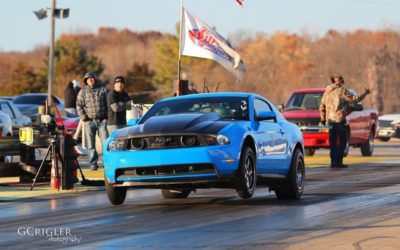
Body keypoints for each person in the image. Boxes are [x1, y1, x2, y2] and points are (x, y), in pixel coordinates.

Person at [319, 73, 370, 168]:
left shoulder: (327, 91)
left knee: (333, 142)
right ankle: (338, 161)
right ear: (341, 81)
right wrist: (365, 94)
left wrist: (322, 118)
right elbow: (355, 100)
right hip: (339, 120)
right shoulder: (342, 91)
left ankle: (333, 162)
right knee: (343, 141)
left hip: (330, 121)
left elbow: (321, 106)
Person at [76, 72, 109, 170]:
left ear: (95, 79)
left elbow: (108, 104)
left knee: (105, 143)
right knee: (91, 145)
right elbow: (79, 106)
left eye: (92, 78)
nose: (90, 80)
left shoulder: (103, 90)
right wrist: (85, 119)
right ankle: (93, 164)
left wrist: (106, 118)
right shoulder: (82, 92)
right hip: (89, 122)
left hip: (102, 121)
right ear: (86, 80)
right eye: (88, 78)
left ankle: (106, 162)